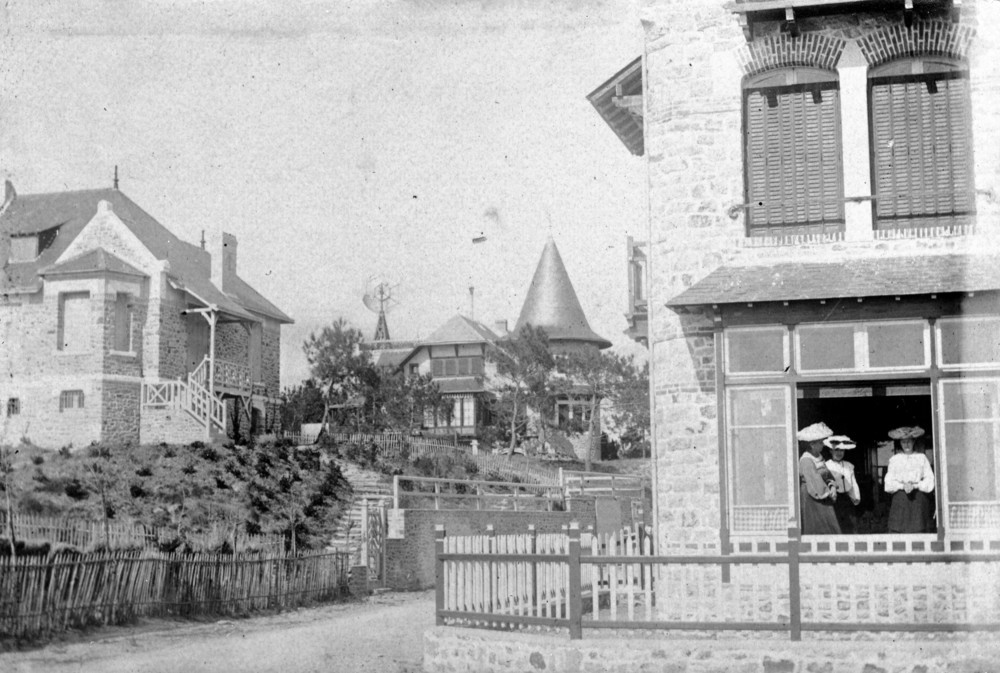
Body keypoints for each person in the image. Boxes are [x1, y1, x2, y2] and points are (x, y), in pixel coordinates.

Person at [884, 426, 935, 533]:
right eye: (903, 442)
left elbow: (930, 479)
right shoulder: (895, 459)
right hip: (901, 500)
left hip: (918, 499)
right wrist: (902, 486)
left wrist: (916, 485)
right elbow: (888, 483)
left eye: (909, 441)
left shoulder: (922, 458)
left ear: (914, 441)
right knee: (898, 533)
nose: (906, 444)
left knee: (919, 531)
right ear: (900, 443)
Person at [797, 422, 841, 535]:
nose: (823, 444)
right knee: (817, 525)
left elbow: (826, 473)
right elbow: (814, 479)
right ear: (812, 444)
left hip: (823, 491)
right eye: (821, 442)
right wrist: (828, 494)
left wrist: (832, 486)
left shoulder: (819, 457)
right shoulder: (806, 460)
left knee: (829, 523)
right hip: (813, 494)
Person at [824, 435, 861, 534]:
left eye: (842, 450)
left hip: (847, 499)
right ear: (831, 451)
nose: (839, 453)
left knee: (851, 526)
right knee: (837, 526)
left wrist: (855, 497)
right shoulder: (827, 465)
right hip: (834, 499)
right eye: (836, 450)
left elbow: (853, 483)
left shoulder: (848, 466)